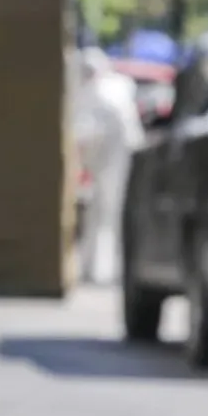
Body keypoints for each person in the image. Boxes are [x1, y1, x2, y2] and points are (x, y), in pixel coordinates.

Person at [74, 48, 145, 284]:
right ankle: (97, 267)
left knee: (110, 215)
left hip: (114, 162)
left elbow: (86, 134)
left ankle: (106, 269)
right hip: (114, 161)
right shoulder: (117, 86)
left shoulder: (99, 93)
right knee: (105, 215)